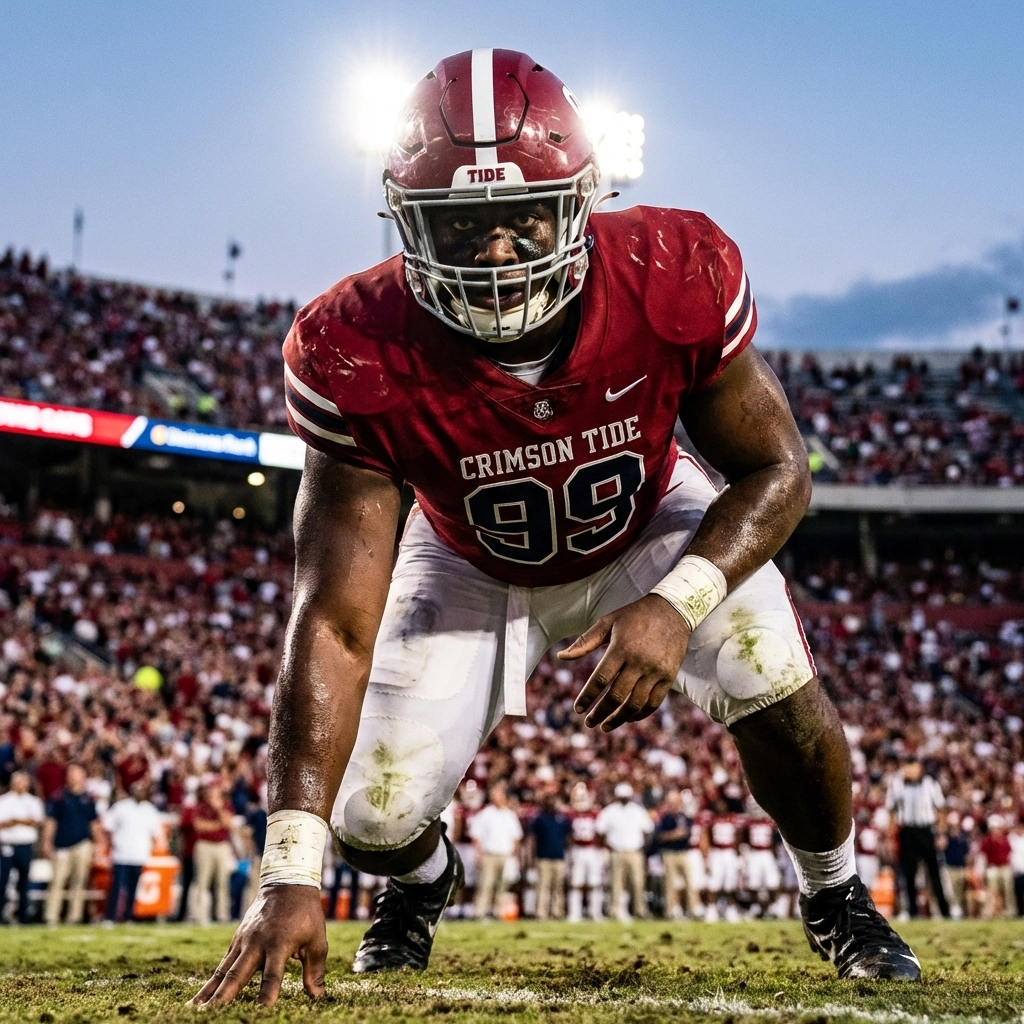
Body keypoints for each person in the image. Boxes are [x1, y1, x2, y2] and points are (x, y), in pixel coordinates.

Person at [193, 48, 920, 1007]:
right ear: (409, 227)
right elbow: (331, 618)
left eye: (524, 216)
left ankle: (835, 896)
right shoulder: (350, 345)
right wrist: (289, 868)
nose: (498, 250)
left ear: (582, 202)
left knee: (771, 671)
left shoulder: (671, 267)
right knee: (371, 815)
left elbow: (778, 471)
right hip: (465, 557)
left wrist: (676, 601)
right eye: (463, 225)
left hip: (651, 520)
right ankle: (419, 883)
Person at [886, 755, 950, 919]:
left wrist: (941, 833)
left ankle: (944, 910)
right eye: (907, 767)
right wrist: (891, 837)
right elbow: (892, 811)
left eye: (912, 767)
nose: (909, 771)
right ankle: (912, 912)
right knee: (908, 873)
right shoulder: (896, 784)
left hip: (926, 831)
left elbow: (941, 809)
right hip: (907, 832)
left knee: (934, 872)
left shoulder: (930, 784)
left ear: (919, 768)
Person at [43, 764, 100, 925]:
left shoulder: (88, 798)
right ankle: (51, 916)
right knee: (57, 881)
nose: (73, 776)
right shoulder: (59, 797)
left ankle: (74, 917)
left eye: (77, 773)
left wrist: (98, 843)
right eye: (71, 773)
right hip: (62, 845)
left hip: (82, 843)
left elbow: (93, 823)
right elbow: (51, 821)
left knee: (79, 881)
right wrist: (47, 842)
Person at [103, 780, 163, 923]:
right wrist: (110, 843)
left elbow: (156, 833)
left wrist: (155, 849)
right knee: (117, 887)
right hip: (121, 854)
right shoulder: (121, 807)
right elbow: (107, 826)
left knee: (133, 888)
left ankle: (129, 916)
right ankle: (110, 917)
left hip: (139, 854)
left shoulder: (149, 809)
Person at [596, 783, 653, 923]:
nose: (624, 799)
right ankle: (614, 910)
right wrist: (607, 846)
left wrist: (642, 848)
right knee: (615, 883)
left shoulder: (638, 811)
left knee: (638, 883)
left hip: (634, 851)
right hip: (616, 851)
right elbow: (600, 830)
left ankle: (640, 910)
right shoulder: (609, 811)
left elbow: (647, 830)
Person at [468, 783, 522, 919]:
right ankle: (479, 913)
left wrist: (515, 856)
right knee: (485, 885)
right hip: (489, 854)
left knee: (503, 887)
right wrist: (478, 853)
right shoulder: (485, 814)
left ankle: (499, 913)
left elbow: (516, 838)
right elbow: (476, 835)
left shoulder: (510, 815)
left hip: (506, 855)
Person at [0, 771, 45, 923]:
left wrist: (14, 821)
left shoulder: (33, 801)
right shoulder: (4, 801)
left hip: (25, 846)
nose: (20, 784)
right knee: (2, 882)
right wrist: (23, 821)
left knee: (25, 882)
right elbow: (3, 823)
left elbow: (37, 821)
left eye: (23, 781)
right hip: (7, 846)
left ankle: (23, 917)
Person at [191, 785, 236, 924]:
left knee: (222, 882)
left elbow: (228, 824)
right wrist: (218, 824)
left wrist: (218, 809)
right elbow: (199, 826)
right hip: (205, 845)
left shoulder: (226, 806)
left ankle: (222, 915)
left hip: (222, 846)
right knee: (202, 882)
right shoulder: (200, 806)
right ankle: (200, 915)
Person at [654, 790, 696, 920]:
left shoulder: (684, 817)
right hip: (669, 853)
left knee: (690, 882)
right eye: (672, 802)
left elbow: (689, 832)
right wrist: (675, 834)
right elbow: (659, 837)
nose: (675, 805)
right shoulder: (664, 818)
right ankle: (670, 910)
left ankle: (692, 909)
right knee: (669, 883)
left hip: (683, 852)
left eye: (676, 802)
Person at [566, 783, 604, 922]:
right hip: (577, 850)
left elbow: (601, 834)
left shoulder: (596, 814)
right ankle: (574, 913)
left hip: (592, 850)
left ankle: (596, 912)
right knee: (576, 882)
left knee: (595, 882)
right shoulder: (569, 814)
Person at [530, 794, 570, 920]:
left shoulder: (562, 819)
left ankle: (557, 911)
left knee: (558, 887)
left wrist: (569, 855)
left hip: (559, 857)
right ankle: (541, 912)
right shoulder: (539, 819)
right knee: (543, 886)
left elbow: (568, 838)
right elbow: (533, 839)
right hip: (543, 857)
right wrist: (532, 856)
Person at [979, 816, 1014, 919]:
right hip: (992, 867)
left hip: (1004, 867)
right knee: (991, 889)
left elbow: (1010, 854)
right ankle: (989, 911)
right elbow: (982, 856)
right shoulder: (987, 841)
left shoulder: (1005, 840)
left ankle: (1010, 911)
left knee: (1008, 888)